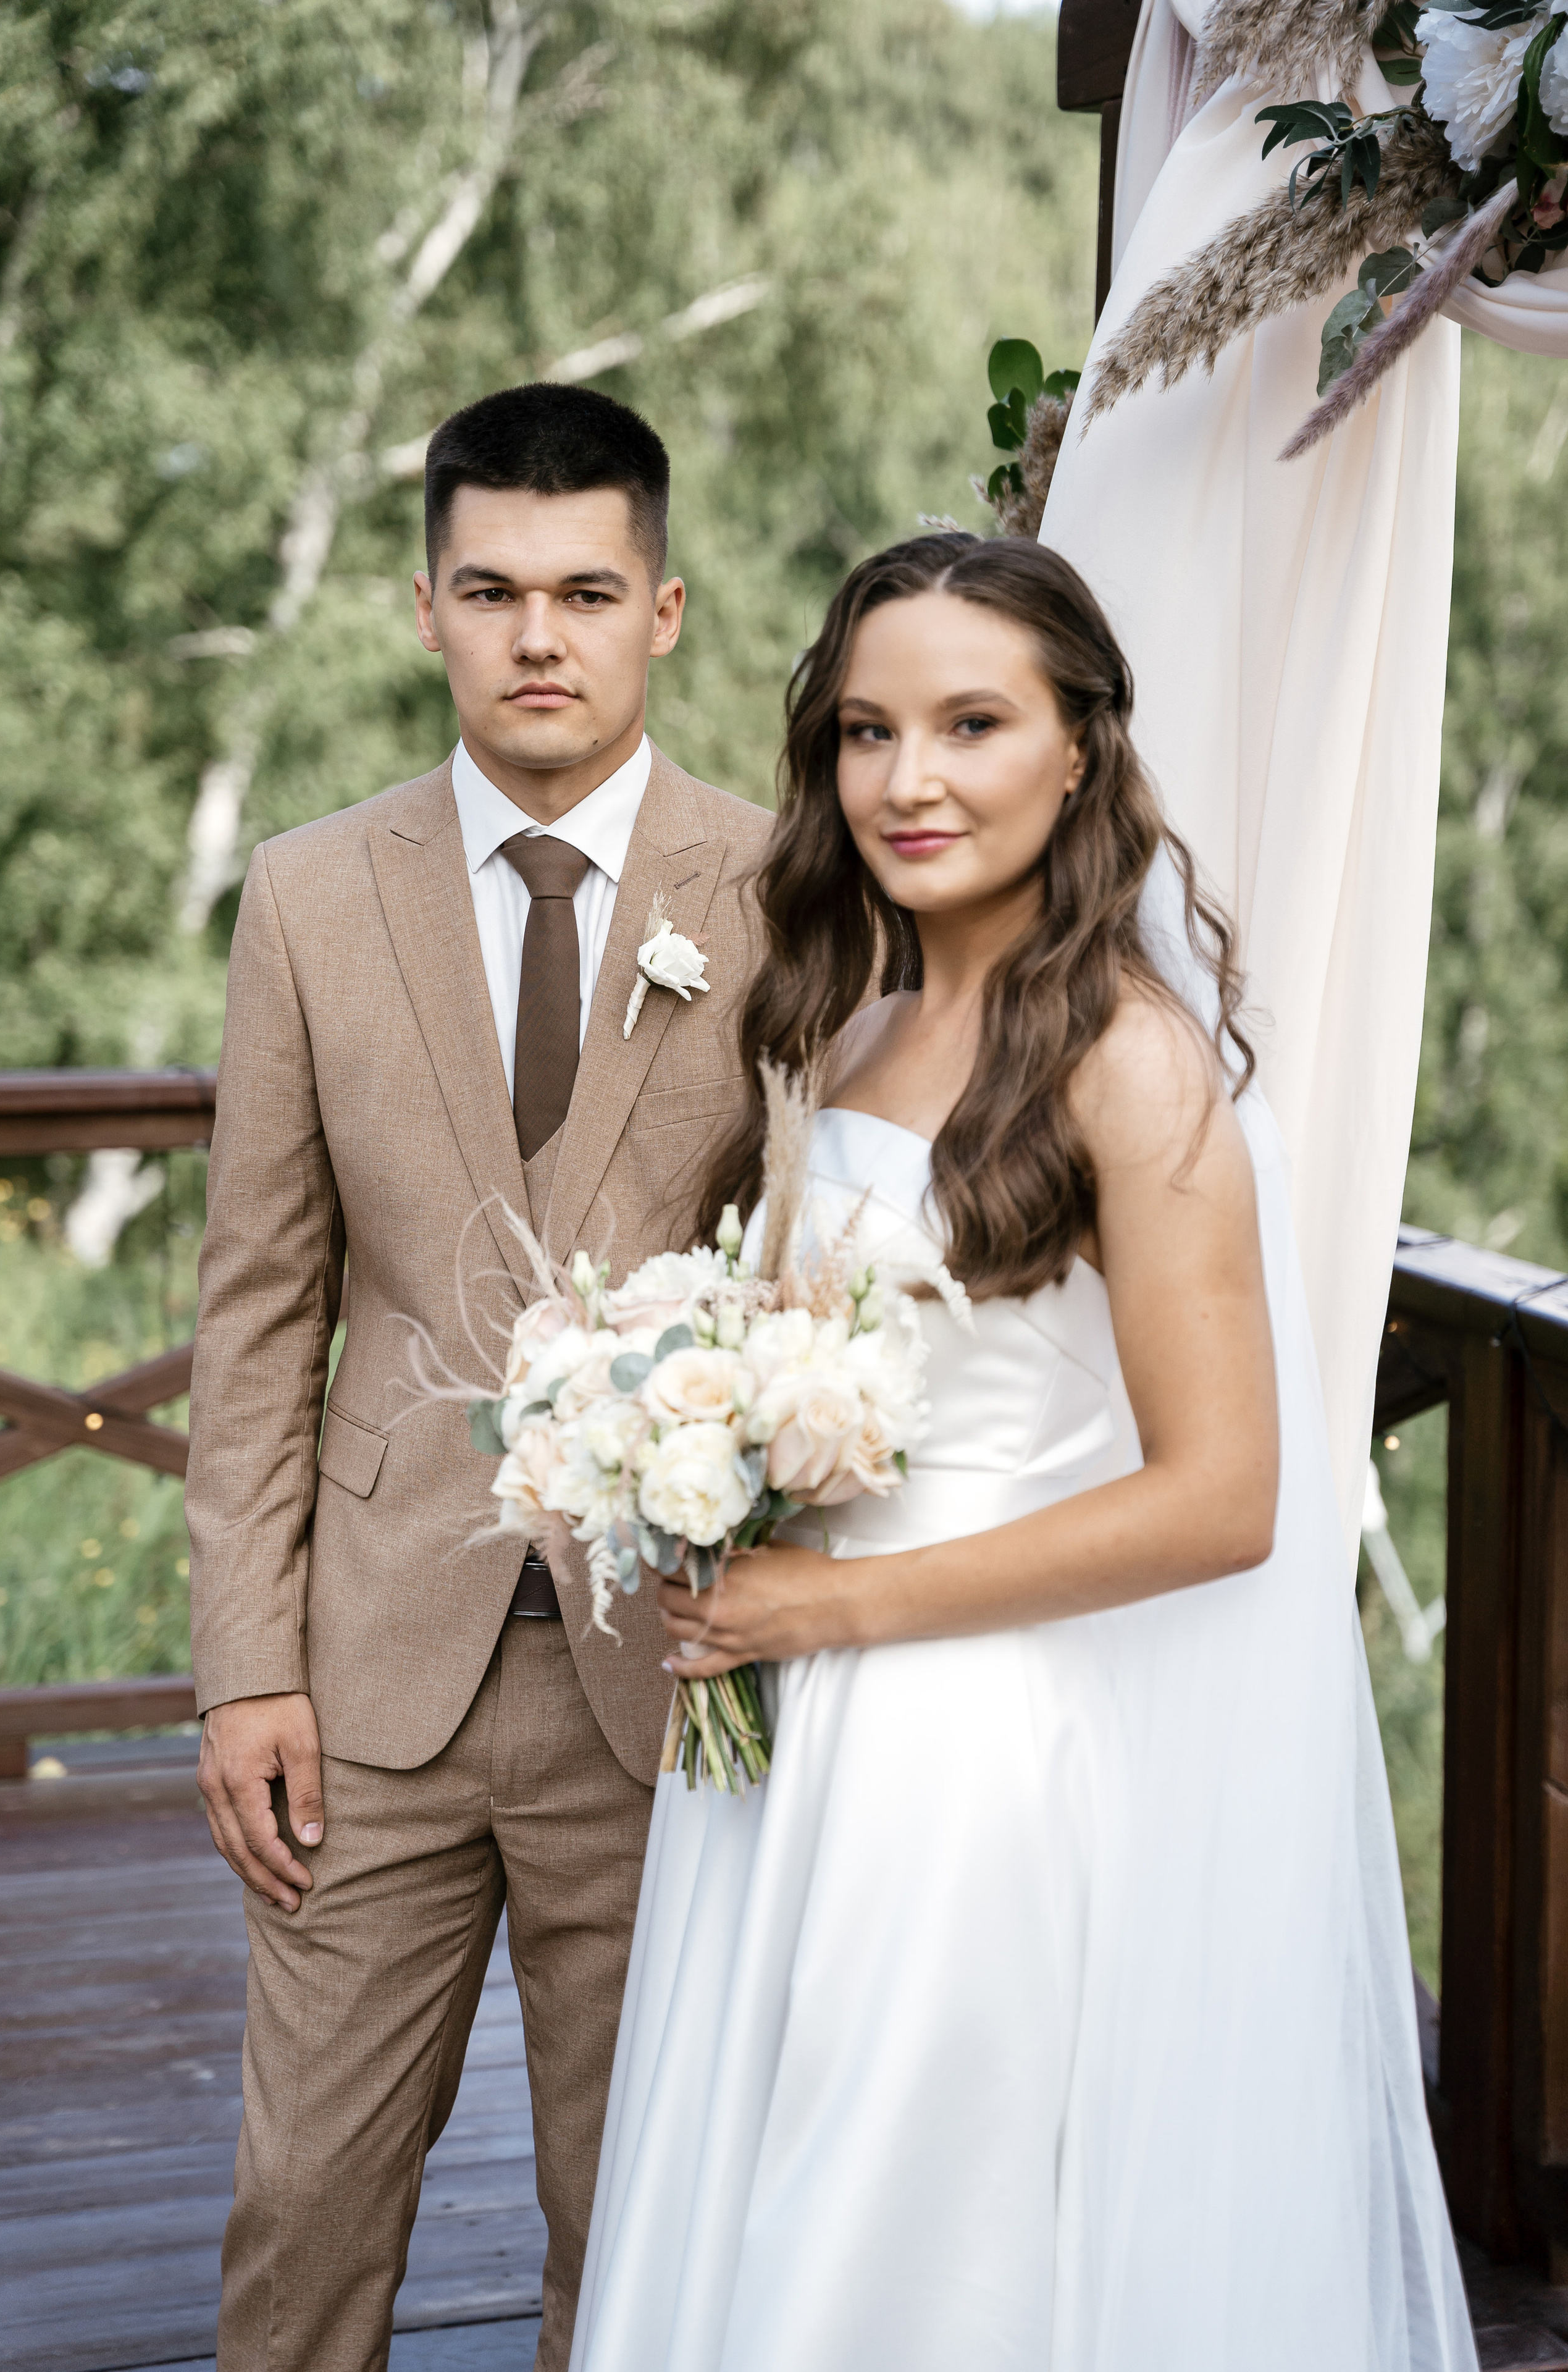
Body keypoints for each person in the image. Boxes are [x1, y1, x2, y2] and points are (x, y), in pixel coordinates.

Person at [571, 534, 1478, 2371]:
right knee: (766, 2192)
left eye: (972, 724)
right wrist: (682, 1440)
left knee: (899, 2238)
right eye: (866, 731)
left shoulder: (1132, 1062)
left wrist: (840, 1610)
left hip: (969, 1753)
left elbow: (1229, 1499)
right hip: (797, 1745)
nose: (908, 782)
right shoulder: (859, 1019)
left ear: (1080, 748)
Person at [185, 381, 769, 2372]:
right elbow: (261, 1311)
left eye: (587, 591)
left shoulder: (785, 892)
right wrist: (245, 1663)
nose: (542, 636)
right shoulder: (308, 892)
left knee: (646, 2234)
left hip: (670, 1683)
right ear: (423, 606)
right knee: (307, 2217)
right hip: (366, 1682)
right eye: (494, 590)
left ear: (663, 613)